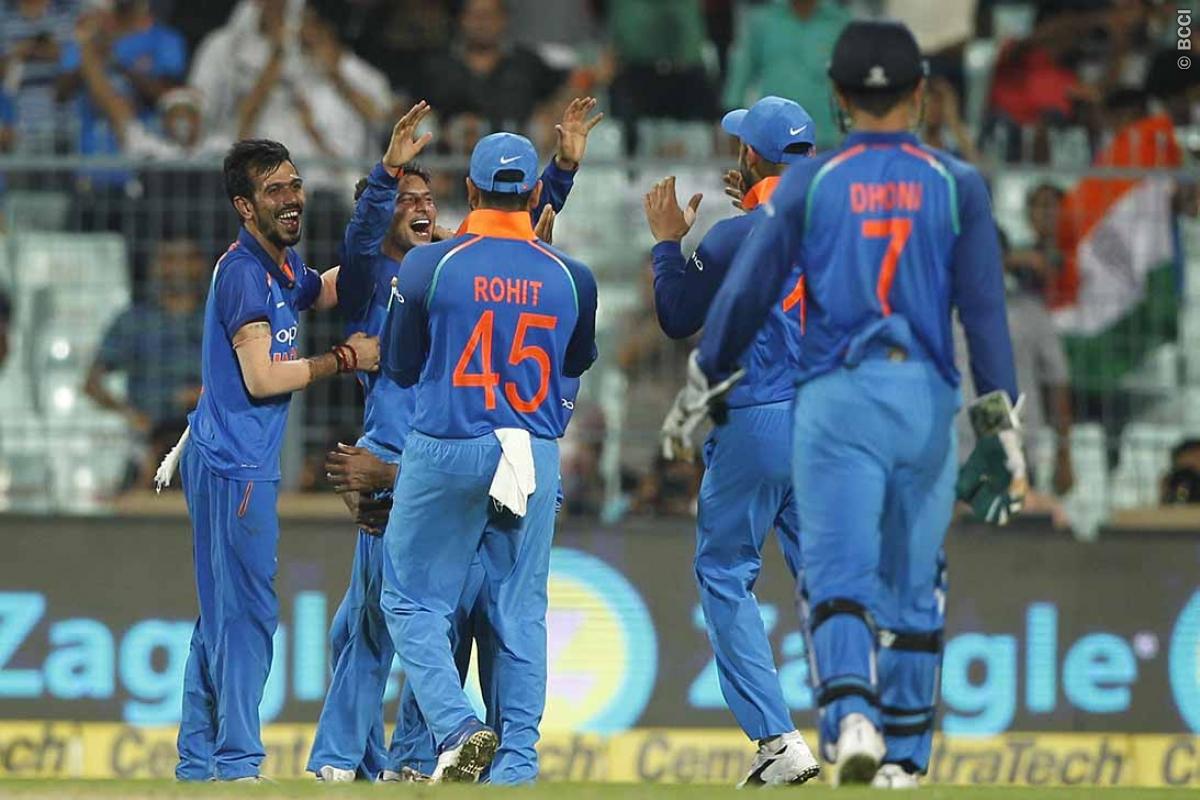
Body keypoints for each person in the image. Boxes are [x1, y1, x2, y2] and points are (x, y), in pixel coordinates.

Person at [689, 21, 1023, 788]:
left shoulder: (813, 186)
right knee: (911, 578)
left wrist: (706, 372)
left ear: (839, 98)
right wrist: (999, 427)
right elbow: (985, 316)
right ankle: (906, 761)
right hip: (925, 397)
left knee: (833, 572)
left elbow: (744, 294)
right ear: (922, 94)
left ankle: (851, 718)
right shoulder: (956, 183)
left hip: (834, 394)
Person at [306, 96, 600, 783]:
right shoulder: (569, 276)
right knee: (502, 616)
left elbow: (404, 362)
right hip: (528, 449)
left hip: (441, 447)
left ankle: (442, 738)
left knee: (411, 608)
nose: (418, 207)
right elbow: (572, 356)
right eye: (403, 198)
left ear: (466, 193)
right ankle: (502, 764)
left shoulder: (431, 269)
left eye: (425, 197)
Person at [174, 139, 379, 783]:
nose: (292, 200)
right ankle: (237, 763)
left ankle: (196, 763)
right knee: (248, 616)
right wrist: (345, 358)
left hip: (226, 457)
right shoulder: (244, 273)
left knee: (222, 613)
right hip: (235, 465)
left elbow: (331, 287)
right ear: (245, 206)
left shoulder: (279, 266)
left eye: (294, 185)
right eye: (275, 191)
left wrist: (390, 238)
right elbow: (262, 378)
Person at [647, 95, 819, 787]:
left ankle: (778, 742)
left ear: (750, 156)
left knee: (724, 573)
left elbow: (675, 315)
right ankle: (875, 724)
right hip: (828, 422)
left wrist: (668, 244)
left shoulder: (731, 237)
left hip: (757, 416)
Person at [83, 237, 207, 489]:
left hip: (208, 435)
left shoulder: (220, 319)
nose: (178, 267)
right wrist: (131, 415)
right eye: (168, 259)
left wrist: (208, 395)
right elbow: (92, 383)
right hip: (148, 439)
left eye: (186, 259)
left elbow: (248, 376)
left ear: (201, 265)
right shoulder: (134, 321)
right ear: (154, 266)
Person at [420, 0, 568, 136]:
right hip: (449, 153)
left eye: (489, 15)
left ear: (504, 19)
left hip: (517, 152)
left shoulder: (527, 63)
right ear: (461, 19)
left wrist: (549, 119)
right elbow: (415, 109)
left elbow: (565, 91)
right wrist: (441, 133)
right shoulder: (436, 66)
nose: (482, 23)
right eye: (475, 16)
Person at [722, 0, 851, 151]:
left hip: (828, 136)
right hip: (775, 138)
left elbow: (852, 76)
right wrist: (734, 122)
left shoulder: (840, 22)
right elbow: (742, 71)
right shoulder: (763, 21)